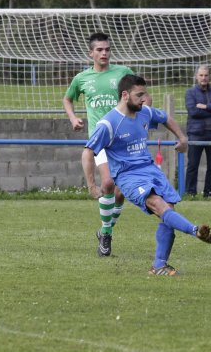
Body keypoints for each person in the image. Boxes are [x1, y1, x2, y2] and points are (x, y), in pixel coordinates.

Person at [82, 74, 211, 276]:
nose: (145, 98)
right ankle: (195, 230)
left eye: (145, 93)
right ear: (125, 95)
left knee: (168, 210)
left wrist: (182, 138)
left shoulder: (144, 112)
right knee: (158, 205)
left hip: (150, 170)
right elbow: (87, 152)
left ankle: (160, 265)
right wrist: (92, 185)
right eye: (139, 94)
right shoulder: (108, 123)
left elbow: (166, 118)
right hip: (128, 176)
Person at [63, 32, 134, 257]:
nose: (104, 53)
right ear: (91, 53)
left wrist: (142, 116)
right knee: (108, 183)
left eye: (107, 49)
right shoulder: (82, 78)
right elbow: (68, 98)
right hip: (101, 138)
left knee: (122, 194)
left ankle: (105, 230)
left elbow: (142, 95)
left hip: (122, 140)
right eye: (100, 50)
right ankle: (107, 237)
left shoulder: (123, 73)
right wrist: (73, 118)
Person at [184, 65, 211, 197]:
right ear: (197, 76)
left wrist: (206, 106)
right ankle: (190, 193)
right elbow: (193, 112)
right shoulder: (190, 93)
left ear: (209, 76)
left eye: (206, 75)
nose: (204, 78)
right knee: (192, 165)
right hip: (196, 134)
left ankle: (209, 193)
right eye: (201, 75)